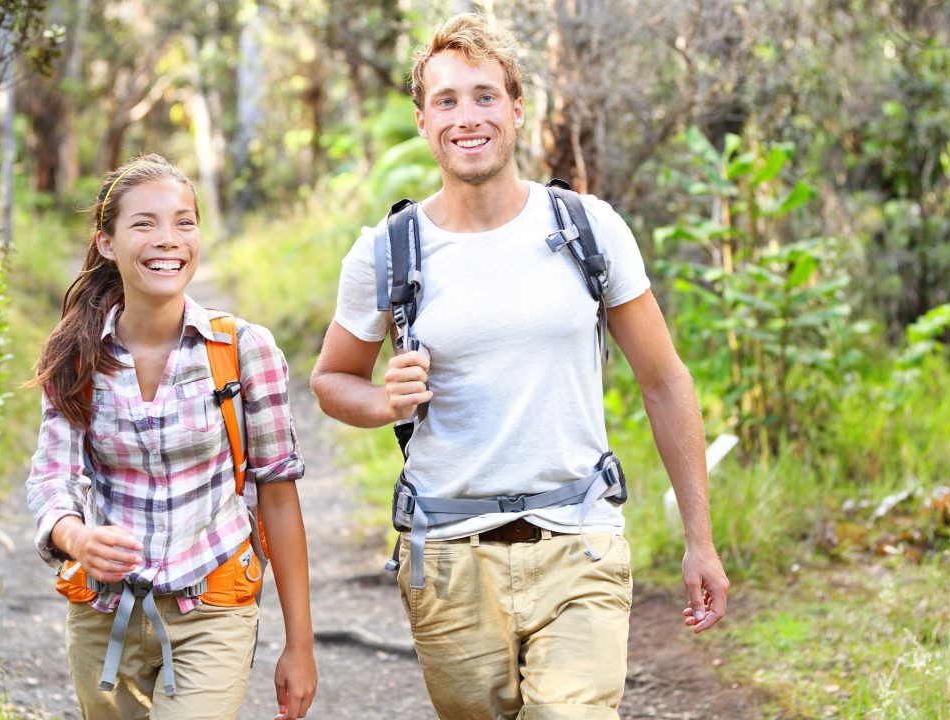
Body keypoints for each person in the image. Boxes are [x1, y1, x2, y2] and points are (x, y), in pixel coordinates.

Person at [310, 13, 730, 719]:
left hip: (580, 542)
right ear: (422, 121)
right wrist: (384, 401)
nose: (467, 117)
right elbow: (330, 381)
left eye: (484, 96)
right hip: (448, 559)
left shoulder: (587, 228)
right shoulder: (386, 251)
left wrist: (700, 541)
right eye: (446, 101)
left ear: (516, 108)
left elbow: (664, 381)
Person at [26, 154, 316, 720]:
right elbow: (52, 477)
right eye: (144, 224)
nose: (168, 239)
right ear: (107, 243)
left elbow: (279, 497)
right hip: (104, 615)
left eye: (184, 222)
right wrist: (76, 538)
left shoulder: (243, 349)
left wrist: (299, 645)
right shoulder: (75, 355)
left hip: (214, 605)